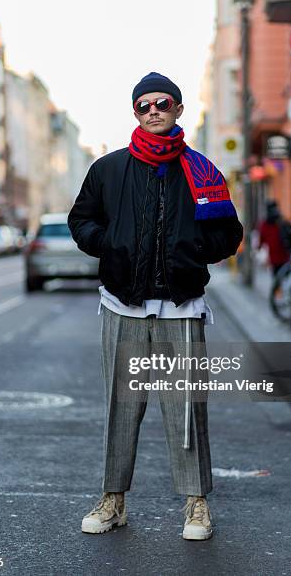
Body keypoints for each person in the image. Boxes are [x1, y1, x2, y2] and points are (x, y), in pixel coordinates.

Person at [67, 72, 243, 541]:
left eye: (162, 103)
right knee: (120, 408)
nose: (153, 111)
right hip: (123, 305)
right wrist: (111, 245)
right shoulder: (108, 169)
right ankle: (113, 500)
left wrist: (193, 251)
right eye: (144, 105)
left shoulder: (203, 170)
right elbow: (81, 219)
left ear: (179, 109)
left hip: (181, 307)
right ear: (135, 113)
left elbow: (230, 232)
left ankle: (196, 503)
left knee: (185, 408)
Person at [258, 200, 291, 276]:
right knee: (278, 279)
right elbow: (261, 240)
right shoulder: (265, 225)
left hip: (284, 256)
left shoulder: (281, 222)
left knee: (282, 279)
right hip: (275, 259)